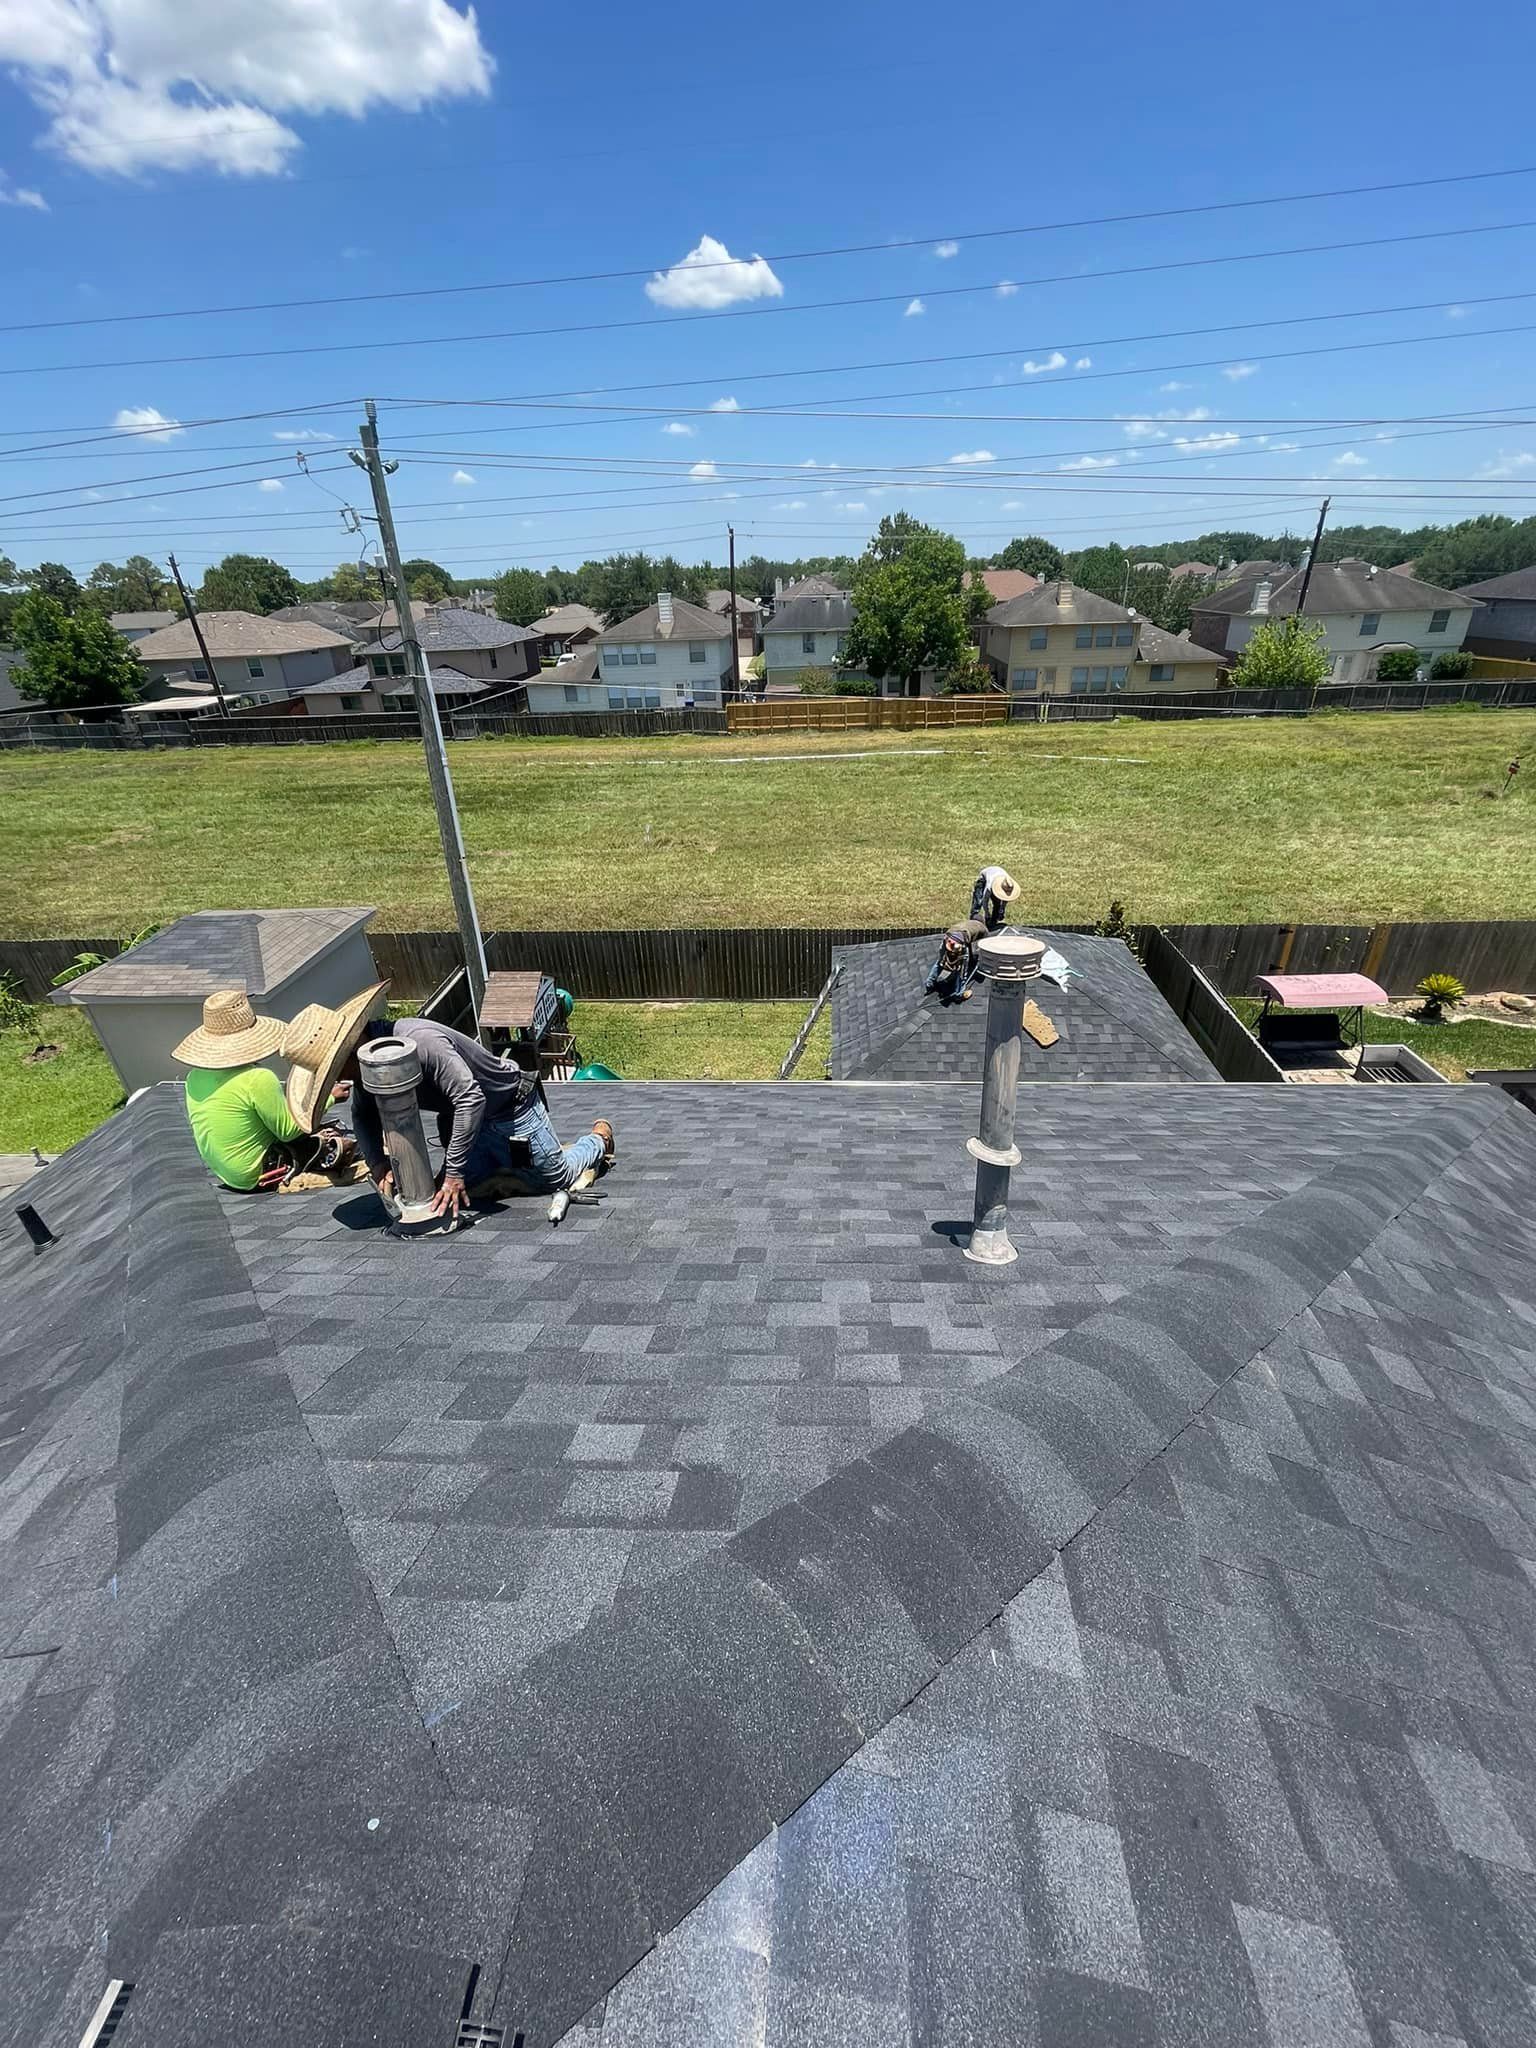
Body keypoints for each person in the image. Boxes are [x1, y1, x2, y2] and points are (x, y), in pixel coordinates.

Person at [282, 993, 613, 1220]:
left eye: (335, 1070)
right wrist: (379, 1165)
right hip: (464, 1124)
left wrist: (453, 1172)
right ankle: (500, 1161)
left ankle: (598, 1139)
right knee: (458, 1194)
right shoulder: (370, 1064)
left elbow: (471, 1097)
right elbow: (363, 1114)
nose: (339, 1079)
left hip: (512, 1109)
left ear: (352, 1049)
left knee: (556, 1178)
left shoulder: (422, 1043)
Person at [173, 988, 355, 1191]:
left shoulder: (194, 1077)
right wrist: (329, 1098)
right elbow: (289, 1132)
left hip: (228, 1173)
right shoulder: (257, 1078)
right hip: (259, 1172)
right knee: (338, 1139)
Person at [924, 919, 988, 1004]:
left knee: (940, 962)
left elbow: (968, 942)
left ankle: (929, 985)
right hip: (958, 942)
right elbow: (984, 946)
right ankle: (959, 994)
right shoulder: (983, 930)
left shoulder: (968, 924)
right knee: (961, 970)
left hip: (948, 937)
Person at [970, 864, 1021, 933]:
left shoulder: (1009, 883)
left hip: (997, 875)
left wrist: (1002, 909)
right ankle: (973, 922)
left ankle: (993, 924)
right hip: (983, 879)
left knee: (997, 903)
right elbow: (985, 901)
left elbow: (1005, 899)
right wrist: (987, 914)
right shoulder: (989, 885)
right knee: (978, 902)